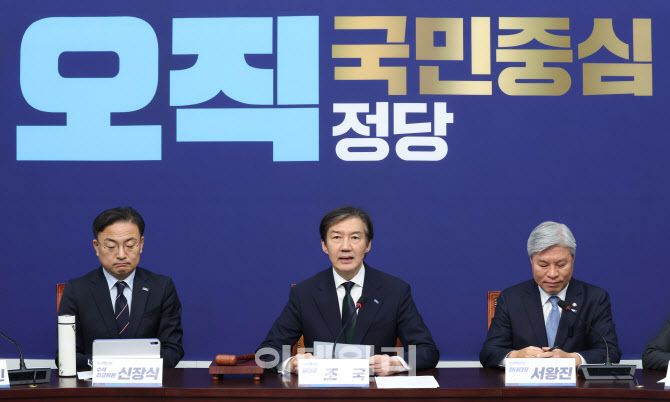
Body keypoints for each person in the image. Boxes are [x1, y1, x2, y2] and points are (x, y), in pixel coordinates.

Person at [257, 206, 439, 375]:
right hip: (322, 392)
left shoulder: (394, 291)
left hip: (375, 391)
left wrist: (395, 363)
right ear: (324, 245)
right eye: (336, 237)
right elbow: (266, 353)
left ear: (368, 244)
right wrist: (291, 364)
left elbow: (428, 351)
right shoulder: (304, 293)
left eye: (355, 238)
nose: (345, 247)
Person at [479, 221, 621, 368]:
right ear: (531, 260)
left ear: (573, 259)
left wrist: (572, 359)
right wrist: (516, 356)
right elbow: (489, 353)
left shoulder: (595, 298)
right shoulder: (510, 298)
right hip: (525, 382)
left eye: (561, 265)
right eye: (543, 265)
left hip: (577, 382)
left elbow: (611, 352)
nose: (552, 274)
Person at [57, 207, 184, 369]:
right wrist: (107, 366)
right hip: (94, 382)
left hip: (146, 381)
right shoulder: (77, 290)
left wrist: (131, 368)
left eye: (130, 245)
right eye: (111, 246)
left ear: (141, 244)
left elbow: (172, 349)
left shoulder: (161, 287)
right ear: (96, 247)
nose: (121, 255)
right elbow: (65, 355)